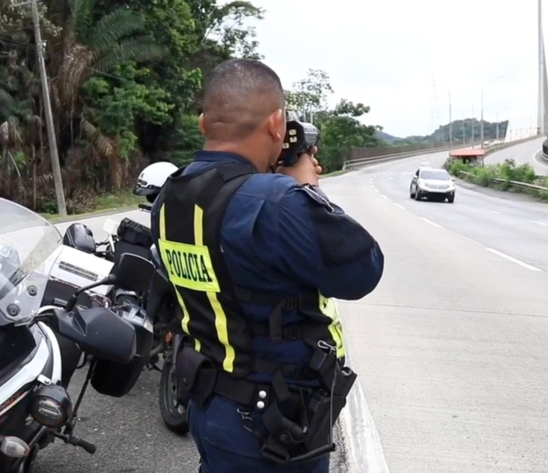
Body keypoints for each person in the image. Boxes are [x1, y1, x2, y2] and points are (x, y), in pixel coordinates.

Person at [149, 58, 384, 473]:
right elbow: (363, 269)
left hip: (211, 407)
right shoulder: (275, 203)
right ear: (277, 125)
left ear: (204, 125)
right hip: (272, 425)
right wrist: (304, 191)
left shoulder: (171, 197)